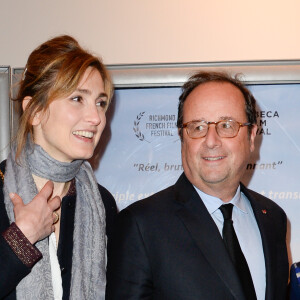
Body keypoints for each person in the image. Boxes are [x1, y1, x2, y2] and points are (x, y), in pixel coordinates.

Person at [106, 71, 289, 300]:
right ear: (182, 138)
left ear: (252, 136)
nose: (211, 141)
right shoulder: (140, 226)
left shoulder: (273, 219)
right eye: (197, 127)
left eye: (227, 125)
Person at [0, 35, 117, 299]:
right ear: (34, 111)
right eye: (77, 99)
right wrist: (20, 240)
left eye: (100, 103)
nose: (96, 118)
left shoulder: (104, 204)